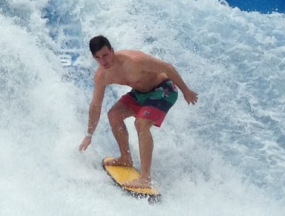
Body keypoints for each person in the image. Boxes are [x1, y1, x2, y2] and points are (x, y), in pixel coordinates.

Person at [76, 34, 198, 189]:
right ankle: (126, 158)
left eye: (106, 55)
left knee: (141, 123)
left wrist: (186, 91)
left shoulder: (135, 61)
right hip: (140, 94)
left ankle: (145, 178)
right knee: (113, 115)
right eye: (98, 58)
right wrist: (89, 135)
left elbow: (167, 67)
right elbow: (95, 105)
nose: (103, 61)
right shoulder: (102, 76)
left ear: (112, 51)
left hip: (164, 89)